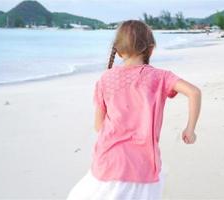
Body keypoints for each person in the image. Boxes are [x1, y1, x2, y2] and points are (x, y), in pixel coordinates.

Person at [66, 20, 201, 200]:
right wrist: (189, 129)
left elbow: (99, 126)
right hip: (143, 167)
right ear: (151, 49)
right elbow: (194, 92)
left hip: (107, 163)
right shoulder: (160, 77)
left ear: (119, 51)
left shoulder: (105, 79)